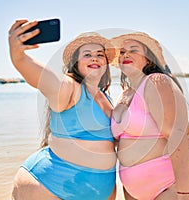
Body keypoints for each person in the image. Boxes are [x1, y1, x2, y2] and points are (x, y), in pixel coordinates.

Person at [8, 19, 117, 200]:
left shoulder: (105, 97)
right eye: (87, 54)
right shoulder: (70, 87)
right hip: (50, 186)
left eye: (100, 54)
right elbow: (46, 79)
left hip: (99, 190)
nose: (95, 57)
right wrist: (20, 58)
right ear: (76, 63)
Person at [110, 32, 189, 200]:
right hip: (137, 189)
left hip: (176, 183)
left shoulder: (156, 81)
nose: (125, 54)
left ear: (149, 58)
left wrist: (185, 192)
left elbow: (177, 134)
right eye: (122, 52)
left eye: (133, 50)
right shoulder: (125, 93)